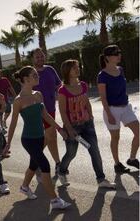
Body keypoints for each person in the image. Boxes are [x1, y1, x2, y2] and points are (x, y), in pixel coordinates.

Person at [6, 66, 71, 209]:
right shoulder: (18, 101)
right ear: (25, 79)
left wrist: (59, 129)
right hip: (28, 140)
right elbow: (13, 124)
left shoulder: (38, 94)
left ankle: (24, 187)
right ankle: (55, 201)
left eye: (37, 74)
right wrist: (8, 143)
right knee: (45, 165)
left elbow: (46, 116)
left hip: (40, 137)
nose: (38, 76)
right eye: (34, 75)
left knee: (33, 165)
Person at [57, 59, 116, 188]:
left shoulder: (83, 85)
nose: (78, 69)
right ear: (67, 71)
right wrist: (69, 129)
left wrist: (91, 118)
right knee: (71, 153)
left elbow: (86, 102)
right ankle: (61, 171)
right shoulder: (63, 90)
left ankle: (101, 179)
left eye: (78, 66)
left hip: (87, 124)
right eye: (74, 68)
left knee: (94, 149)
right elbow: (62, 112)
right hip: (73, 128)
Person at [98, 45, 139, 173]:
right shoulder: (102, 75)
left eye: (119, 52)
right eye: (116, 53)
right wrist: (109, 114)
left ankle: (132, 159)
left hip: (125, 107)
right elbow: (103, 98)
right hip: (112, 110)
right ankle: (117, 164)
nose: (119, 55)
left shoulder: (120, 70)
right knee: (115, 138)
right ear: (107, 58)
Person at [31, 48, 62, 173]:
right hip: (36, 111)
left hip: (50, 108)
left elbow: (58, 85)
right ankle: (58, 164)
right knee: (51, 136)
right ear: (32, 59)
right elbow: (25, 91)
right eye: (37, 57)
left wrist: (61, 96)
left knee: (48, 137)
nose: (40, 58)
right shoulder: (30, 73)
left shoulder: (50, 70)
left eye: (42, 56)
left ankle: (35, 159)